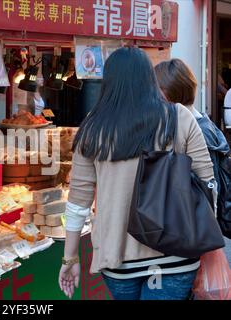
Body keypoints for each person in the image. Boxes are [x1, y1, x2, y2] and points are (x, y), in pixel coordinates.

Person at [59, 47, 214, 300]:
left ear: (108, 81)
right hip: (176, 253)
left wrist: (70, 257)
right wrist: (205, 239)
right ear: (149, 78)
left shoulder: (93, 126)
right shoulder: (179, 117)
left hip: (117, 257)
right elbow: (208, 182)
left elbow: (78, 202)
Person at [155, 58, 229, 210]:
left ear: (167, 92)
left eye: (155, 90)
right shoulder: (201, 122)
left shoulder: (198, 130)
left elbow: (207, 190)